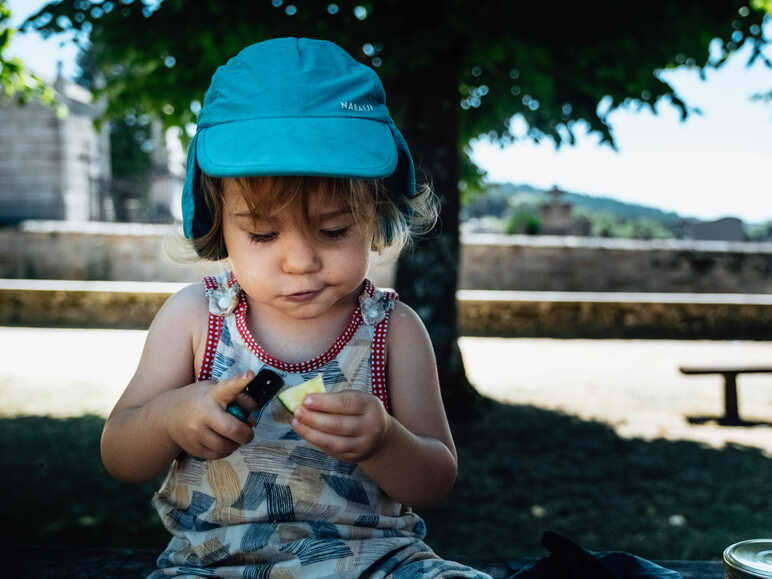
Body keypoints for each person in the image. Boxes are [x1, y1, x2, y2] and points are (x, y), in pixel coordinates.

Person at [100, 37, 492, 578]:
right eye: (263, 234)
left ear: (377, 216)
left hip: (374, 562)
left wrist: (384, 440)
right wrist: (170, 418)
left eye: (334, 230)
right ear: (217, 221)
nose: (300, 261)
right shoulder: (195, 319)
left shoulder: (392, 330)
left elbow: (435, 481)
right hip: (214, 564)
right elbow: (120, 456)